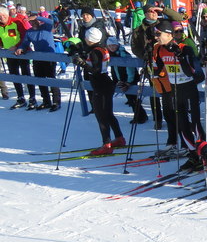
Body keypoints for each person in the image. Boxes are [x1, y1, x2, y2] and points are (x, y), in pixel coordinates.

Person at [152, 20, 205, 170]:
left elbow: (194, 73)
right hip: (175, 90)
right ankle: (193, 155)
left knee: (195, 124)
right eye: (155, 34)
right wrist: (150, 62)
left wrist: (181, 57)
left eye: (158, 34)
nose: (156, 37)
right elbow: (158, 70)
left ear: (169, 34)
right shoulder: (160, 49)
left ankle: (203, 154)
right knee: (182, 125)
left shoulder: (185, 48)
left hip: (189, 89)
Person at [71, 27, 125, 155]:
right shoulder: (101, 48)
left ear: (90, 39)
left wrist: (82, 64)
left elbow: (96, 70)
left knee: (101, 116)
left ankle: (106, 145)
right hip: (105, 83)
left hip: (100, 85)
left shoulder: (95, 52)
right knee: (108, 114)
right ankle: (119, 138)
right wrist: (83, 57)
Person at [17, 10, 61, 111]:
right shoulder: (29, 32)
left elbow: (51, 22)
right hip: (38, 57)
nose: (33, 22)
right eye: (31, 21)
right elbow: (25, 43)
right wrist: (20, 48)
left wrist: (37, 17)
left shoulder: (46, 27)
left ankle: (56, 101)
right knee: (40, 79)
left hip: (50, 57)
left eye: (35, 20)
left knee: (51, 79)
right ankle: (46, 101)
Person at [0, 6, 35, 109]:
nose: (1, 18)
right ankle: (21, 98)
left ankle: (32, 98)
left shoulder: (16, 22)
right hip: (9, 55)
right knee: (15, 76)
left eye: (3, 15)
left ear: (7, 15)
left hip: (22, 52)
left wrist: (17, 46)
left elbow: (25, 36)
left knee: (26, 75)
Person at [107, 36, 147, 124]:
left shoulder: (123, 54)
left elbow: (130, 69)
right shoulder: (112, 54)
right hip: (123, 79)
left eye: (113, 45)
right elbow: (115, 69)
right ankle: (141, 115)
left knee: (133, 99)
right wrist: (118, 80)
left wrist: (129, 82)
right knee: (131, 99)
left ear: (117, 45)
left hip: (130, 79)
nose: (111, 47)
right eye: (109, 46)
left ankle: (141, 117)